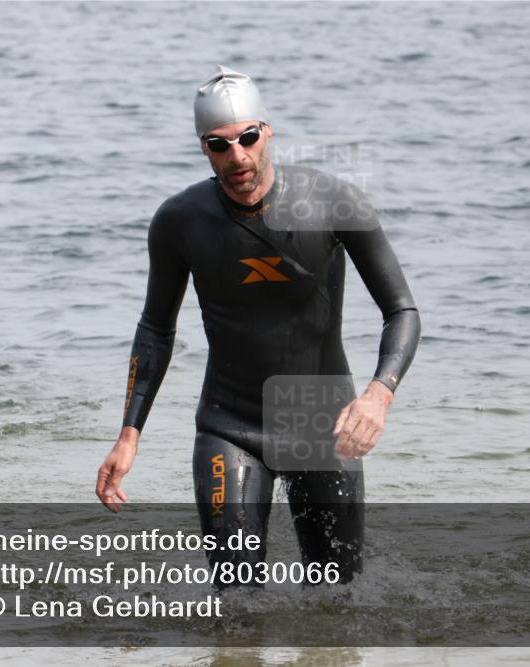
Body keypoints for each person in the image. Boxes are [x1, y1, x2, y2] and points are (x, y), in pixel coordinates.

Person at [96, 65, 420, 585]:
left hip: (322, 425)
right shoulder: (180, 221)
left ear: (267, 131)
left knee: (339, 604)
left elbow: (402, 310)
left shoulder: (333, 202)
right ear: (203, 148)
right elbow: (155, 330)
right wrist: (128, 435)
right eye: (219, 145)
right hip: (231, 426)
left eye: (247, 138)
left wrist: (378, 396)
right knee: (236, 605)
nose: (237, 156)